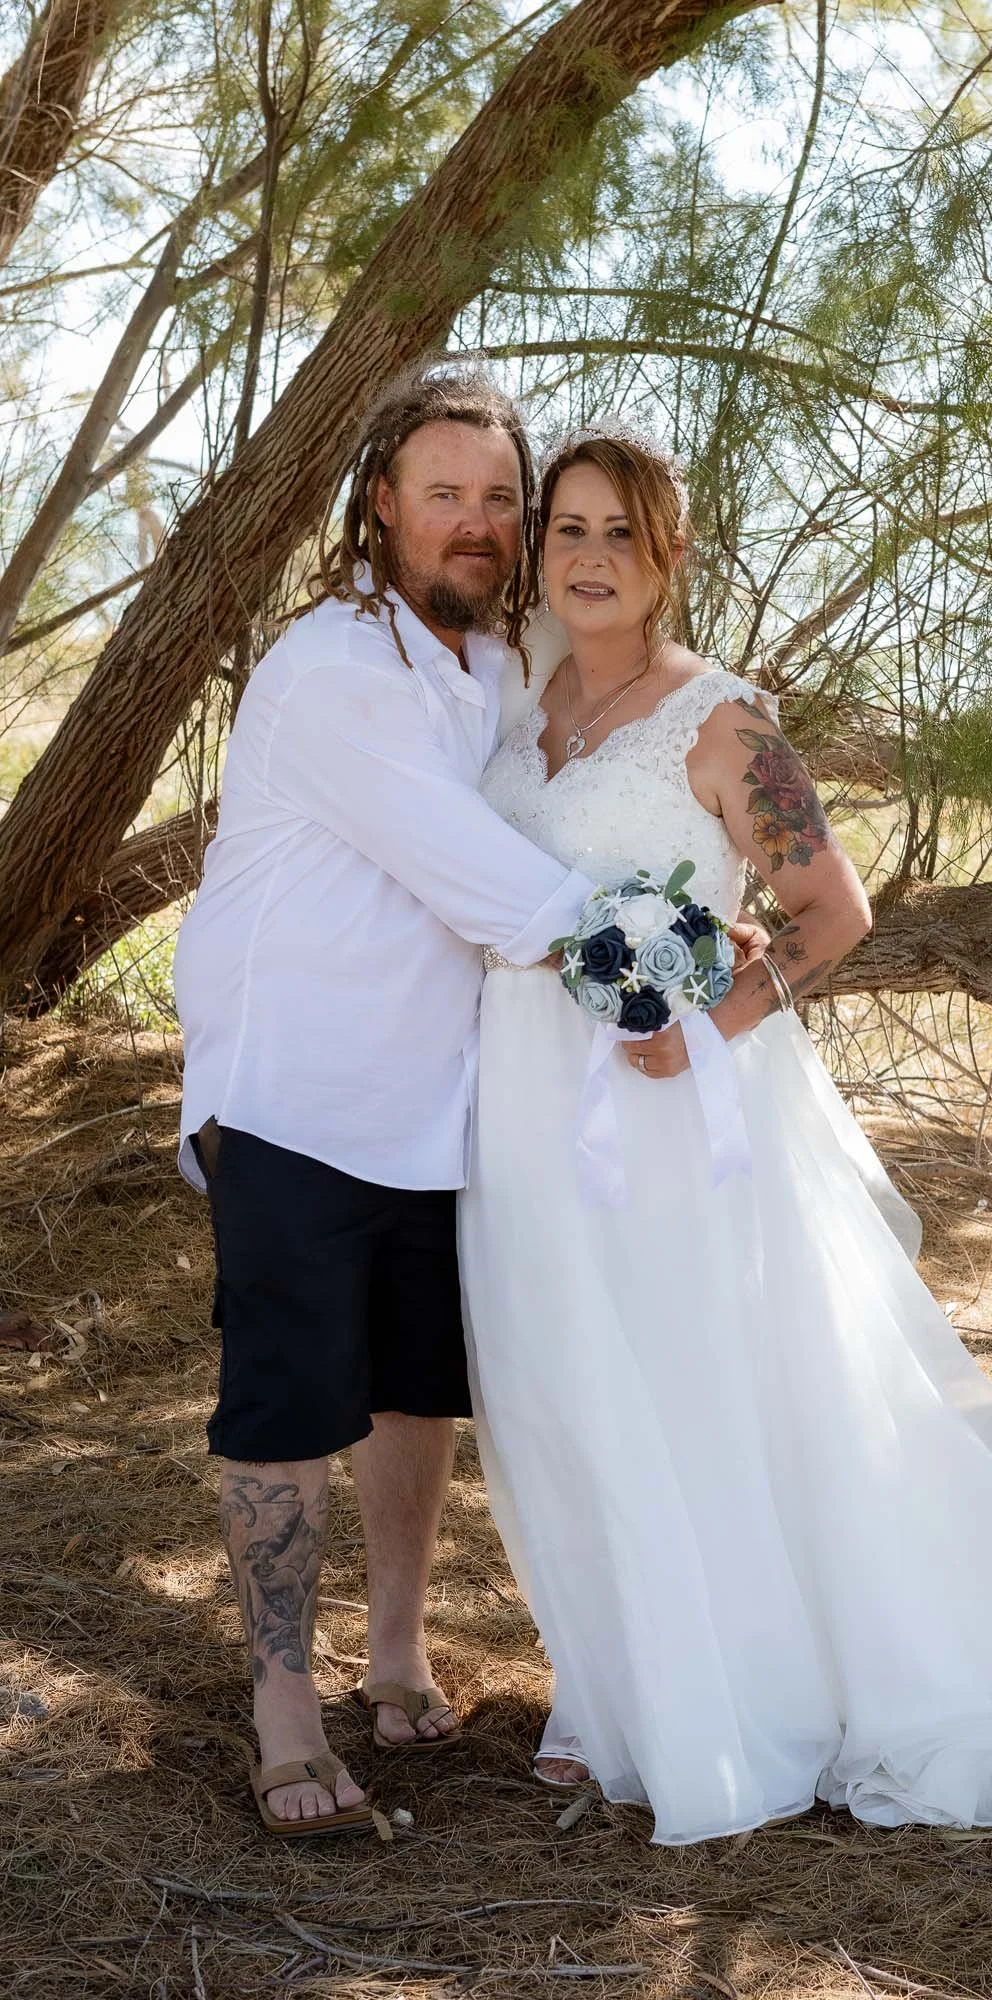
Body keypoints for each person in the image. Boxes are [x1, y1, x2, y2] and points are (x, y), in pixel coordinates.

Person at [458, 422, 992, 1846]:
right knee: (568, 1386)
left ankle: (746, 1695)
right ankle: (614, 1693)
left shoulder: (723, 724)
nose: (588, 559)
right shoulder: (517, 714)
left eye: (619, 532)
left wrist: (702, 1027)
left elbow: (835, 913)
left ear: (669, 556)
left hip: (672, 1114)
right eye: (567, 530)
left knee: (694, 1387)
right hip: (526, 1099)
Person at [172, 362, 604, 1835]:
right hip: (296, 1087)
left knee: (420, 1386)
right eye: (445, 496)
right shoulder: (336, 669)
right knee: (290, 1402)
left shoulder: (488, 669)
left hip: (442, 1100)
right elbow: (483, 877)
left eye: (498, 499)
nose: (476, 524)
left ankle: (400, 1649)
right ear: (380, 508)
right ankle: (282, 1698)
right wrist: (650, 958)